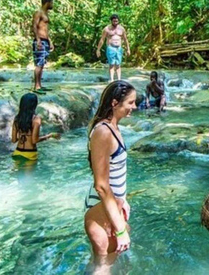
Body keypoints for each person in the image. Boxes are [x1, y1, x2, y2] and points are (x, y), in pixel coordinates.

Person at [84, 80, 137, 273]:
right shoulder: (103, 132)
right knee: (104, 267)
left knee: (103, 262)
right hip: (101, 207)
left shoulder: (112, 128)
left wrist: (123, 200)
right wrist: (120, 229)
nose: (135, 107)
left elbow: (115, 174)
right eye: (130, 102)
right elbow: (102, 186)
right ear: (115, 103)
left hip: (110, 205)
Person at [11, 93, 60, 161]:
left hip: (17, 153)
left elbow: (13, 140)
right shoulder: (36, 119)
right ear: (34, 105)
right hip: (30, 154)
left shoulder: (17, 118)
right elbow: (34, 140)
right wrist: (49, 136)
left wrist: (23, 134)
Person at [96, 14, 131, 82]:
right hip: (110, 48)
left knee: (118, 64)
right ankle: (111, 79)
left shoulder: (122, 29)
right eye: (114, 21)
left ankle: (119, 79)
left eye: (116, 21)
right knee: (111, 64)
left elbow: (125, 39)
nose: (115, 22)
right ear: (111, 21)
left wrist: (128, 49)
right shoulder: (106, 29)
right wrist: (98, 50)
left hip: (119, 48)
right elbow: (102, 39)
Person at [32, 0, 54, 94]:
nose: (52, 5)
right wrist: (38, 40)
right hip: (40, 40)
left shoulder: (46, 14)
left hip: (45, 40)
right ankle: (36, 86)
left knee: (42, 63)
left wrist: (50, 41)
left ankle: (40, 85)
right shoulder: (39, 13)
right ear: (47, 3)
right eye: (51, 3)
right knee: (39, 63)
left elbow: (45, 29)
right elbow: (34, 26)